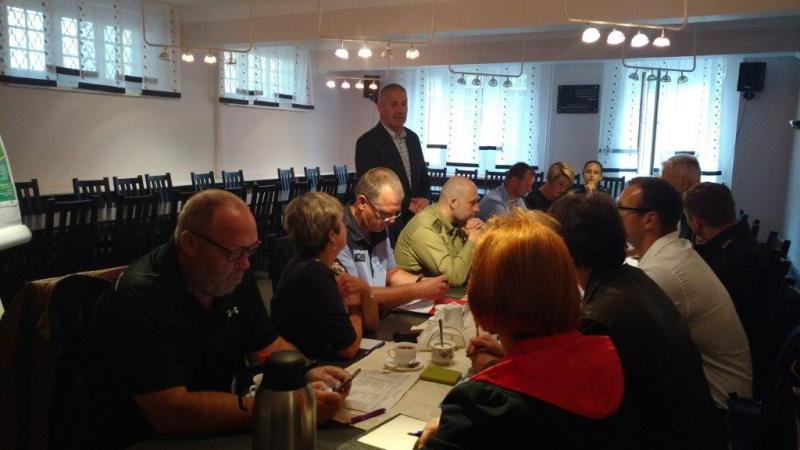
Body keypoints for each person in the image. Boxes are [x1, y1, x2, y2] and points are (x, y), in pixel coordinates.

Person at [87, 190, 351, 449]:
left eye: (251, 251)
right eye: (235, 253)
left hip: (211, 430)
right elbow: (171, 411)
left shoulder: (231, 275)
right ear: (189, 243)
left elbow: (265, 344)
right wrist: (279, 409)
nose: (245, 265)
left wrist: (303, 374)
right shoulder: (139, 298)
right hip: (144, 438)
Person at [418, 210, 636, 450]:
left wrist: (436, 436)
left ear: (483, 299)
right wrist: (508, 361)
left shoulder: (480, 409)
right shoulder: (608, 364)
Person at [550, 193, 727, 449]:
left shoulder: (599, 318)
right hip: (696, 430)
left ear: (564, 249)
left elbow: (571, 399)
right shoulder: (632, 278)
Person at [617, 177, 752, 409]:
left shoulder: (665, 270)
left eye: (621, 209)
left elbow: (618, 330)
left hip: (716, 405)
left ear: (649, 219)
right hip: (706, 387)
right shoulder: (674, 251)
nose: (616, 215)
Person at [684, 182, 776, 391]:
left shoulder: (725, 263)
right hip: (762, 347)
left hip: (733, 362)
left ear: (697, 224)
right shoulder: (742, 241)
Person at [271, 192, 379, 359]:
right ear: (332, 236)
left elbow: (371, 325)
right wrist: (355, 310)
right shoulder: (314, 273)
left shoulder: (329, 264)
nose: (346, 227)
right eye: (342, 223)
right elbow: (348, 348)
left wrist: (365, 290)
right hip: (312, 364)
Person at [337, 167, 448, 309]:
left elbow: (391, 274)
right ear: (362, 203)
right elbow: (354, 296)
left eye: (395, 213)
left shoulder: (379, 225)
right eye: (384, 214)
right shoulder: (339, 233)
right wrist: (419, 290)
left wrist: (423, 282)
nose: (391, 221)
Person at [355, 83, 431, 244]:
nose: (401, 110)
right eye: (394, 104)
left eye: (404, 104)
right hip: (387, 226)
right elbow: (372, 188)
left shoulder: (413, 138)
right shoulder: (367, 142)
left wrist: (425, 199)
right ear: (380, 108)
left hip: (417, 222)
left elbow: (423, 176)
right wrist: (407, 204)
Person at [394, 176, 485, 288]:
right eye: (472, 203)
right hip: (410, 295)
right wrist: (473, 239)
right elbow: (455, 278)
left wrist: (481, 236)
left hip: (434, 293)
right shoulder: (426, 229)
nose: (477, 208)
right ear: (453, 203)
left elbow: (474, 270)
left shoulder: (457, 222)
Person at [660, 155, 701, 241]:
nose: (662, 187)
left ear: (684, 181)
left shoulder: (699, 212)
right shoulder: (683, 206)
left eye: (665, 182)